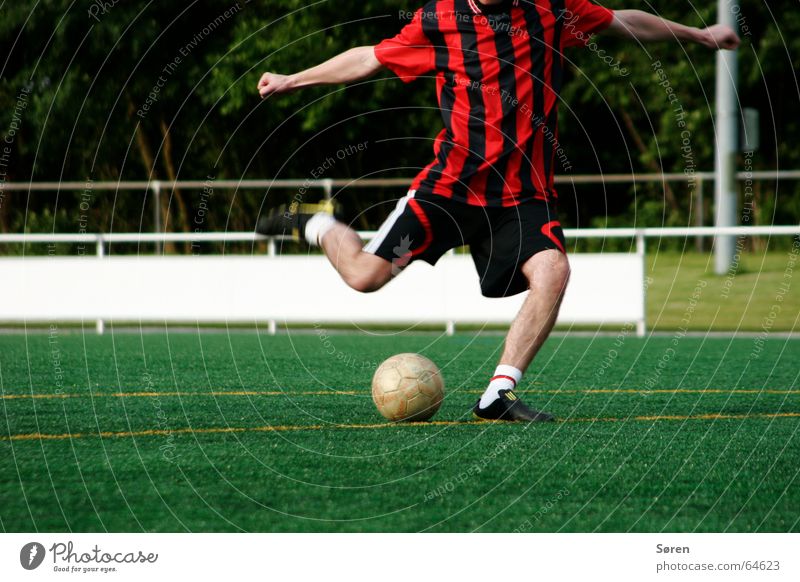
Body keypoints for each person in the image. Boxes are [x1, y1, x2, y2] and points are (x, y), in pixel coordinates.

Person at [256, 0, 739, 422]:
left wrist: (700, 36)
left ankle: (498, 394)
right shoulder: (439, 18)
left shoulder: (550, 8)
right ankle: (317, 223)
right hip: (449, 192)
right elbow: (369, 58)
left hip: (522, 197)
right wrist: (292, 79)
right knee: (364, 277)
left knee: (553, 270)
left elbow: (622, 22)